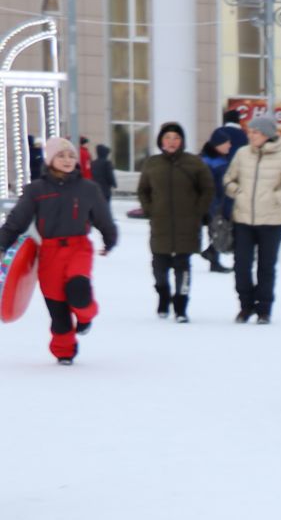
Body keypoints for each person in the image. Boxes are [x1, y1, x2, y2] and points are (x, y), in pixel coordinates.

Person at [0, 136, 116, 364]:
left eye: (71, 155)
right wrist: (2, 243)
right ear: (50, 159)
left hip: (78, 248)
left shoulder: (88, 189)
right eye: (61, 155)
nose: (67, 159)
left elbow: (103, 218)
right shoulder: (36, 190)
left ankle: (86, 316)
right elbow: (17, 221)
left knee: (78, 288)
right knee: (58, 308)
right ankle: (64, 351)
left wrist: (109, 239)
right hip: (49, 253)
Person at [223, 116, 281, 324]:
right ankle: (245, 306)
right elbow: (228, 179)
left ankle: (264, 309)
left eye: (255, 132)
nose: (251, 135)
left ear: (267, 135)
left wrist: (277, 197)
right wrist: (237, 191)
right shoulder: (242, 154)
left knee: (266, 267)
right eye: (249, 131)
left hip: (272, 221)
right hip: (243, 219)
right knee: (241, 265)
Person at [136, 122, 215, 323]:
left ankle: (181, 306)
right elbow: (143, 190)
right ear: (161, 141)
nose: (172, 142)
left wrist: (197, 211)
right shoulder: (152, 163)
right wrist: (150, 209)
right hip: (160, 223)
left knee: (183, 266)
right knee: (159, 267)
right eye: (167, 138)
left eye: (176, 138)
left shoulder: (194, 163)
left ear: (182, 141)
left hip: (187, 225)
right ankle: (163, 296)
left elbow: (207, 189)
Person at [199, 123, 245, 273]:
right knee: (218, 229)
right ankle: (213, 258)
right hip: (214, 203)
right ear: (218, 144)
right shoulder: (216, 162)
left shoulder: (209, 159)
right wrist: (218, 205)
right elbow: (216, 186)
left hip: (211, 202)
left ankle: (212, 255)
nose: (230, 145)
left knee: (216, 230)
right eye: (227, 143)